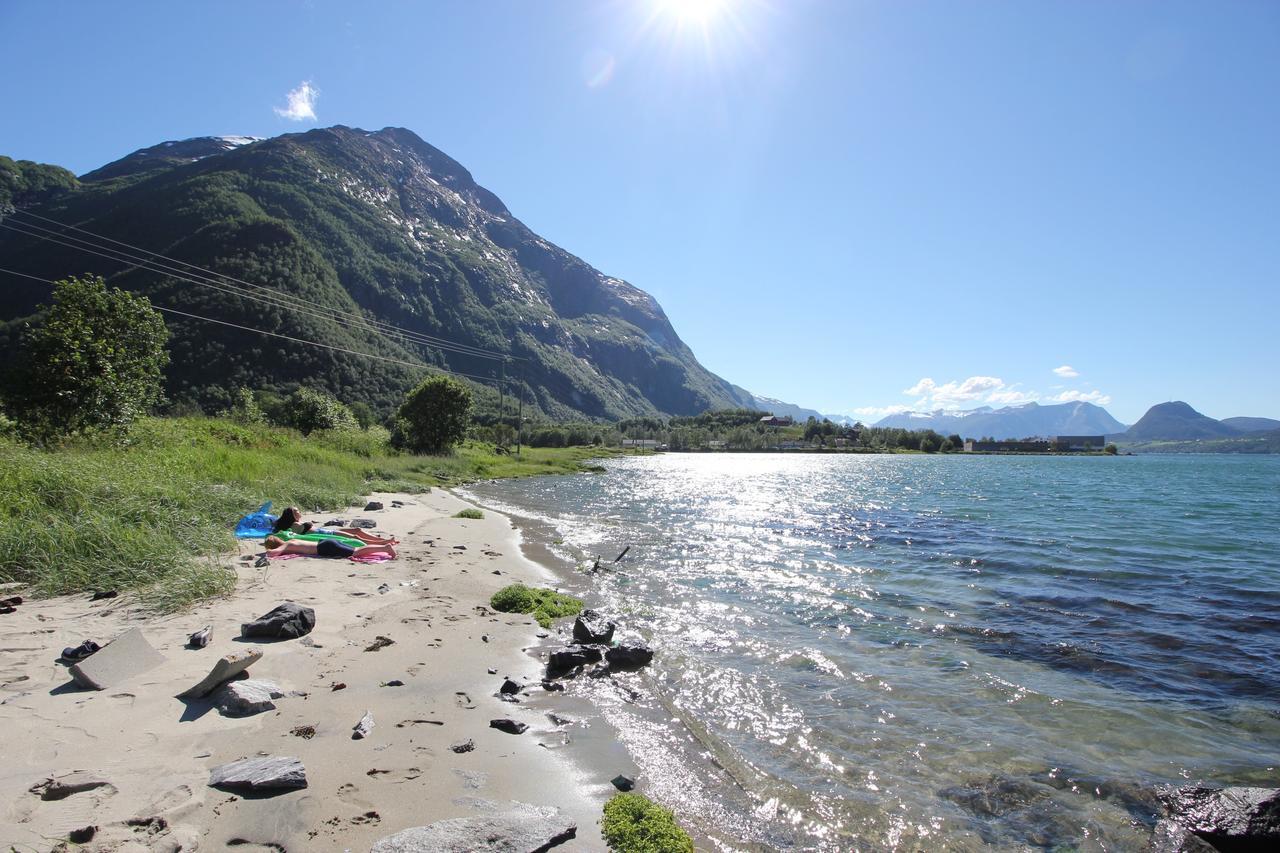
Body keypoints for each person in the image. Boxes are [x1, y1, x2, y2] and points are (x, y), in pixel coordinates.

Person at [263, 535, 397, 561]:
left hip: (325, 547)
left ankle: (385, 548)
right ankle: (384, 547)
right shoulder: (291, 540)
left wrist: (266, 552)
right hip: (326, 542)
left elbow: (273, 553)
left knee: (356, 552)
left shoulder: (287, 545)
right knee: (357, 550)